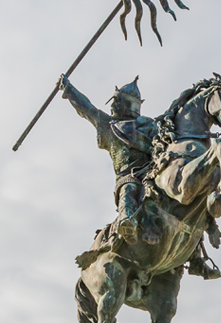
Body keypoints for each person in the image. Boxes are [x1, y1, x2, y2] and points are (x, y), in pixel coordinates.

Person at [58, 74, 159, 245]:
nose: (113, 105)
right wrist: (69, 89)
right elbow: (87, 109)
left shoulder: (150, 125)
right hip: (128, 177)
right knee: (128, 191)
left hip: (153, 173)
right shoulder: (109, 126)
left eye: (117, 101)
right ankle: (127, 221)